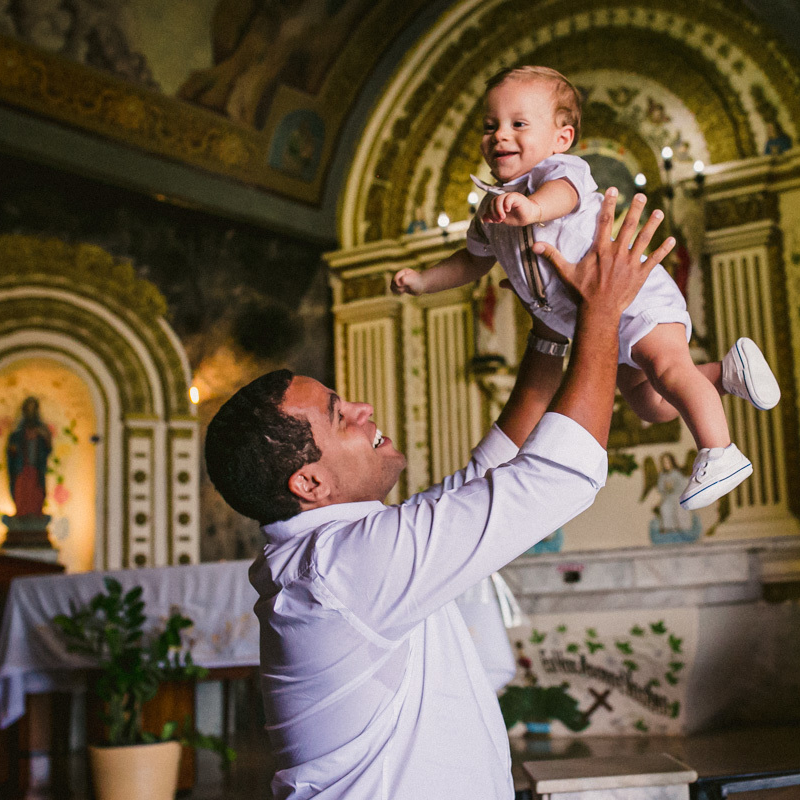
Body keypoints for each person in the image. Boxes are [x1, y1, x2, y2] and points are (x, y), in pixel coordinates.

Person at [204, 189, 674, 800]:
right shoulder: (343, 570)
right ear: (309, 483)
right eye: (338, 414)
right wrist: (600, 312)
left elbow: (490, 472)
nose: (363, 408)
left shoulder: (335, 556)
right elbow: (555, 479)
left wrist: (551, 329)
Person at [391, 65, 781, 511]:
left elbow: (565, 197)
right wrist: (423, 281)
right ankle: (728, 374)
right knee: (651, 403)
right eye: (490, 125)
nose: (499, 135)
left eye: (518, 124)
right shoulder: (489, 211)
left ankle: (720, 451)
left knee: (670, 370)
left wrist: (532, 207)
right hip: (599, 323)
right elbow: (471, 261)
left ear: (561, 138)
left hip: (635, 300)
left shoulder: (559, 174)